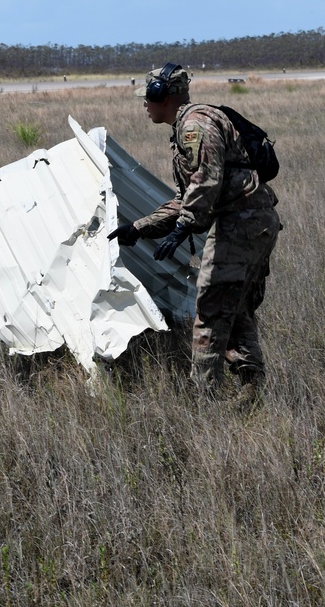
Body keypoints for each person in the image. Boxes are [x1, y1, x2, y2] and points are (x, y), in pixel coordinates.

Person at [108, 63, 281, 407]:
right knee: (236, 307)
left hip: (240, 225)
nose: (145, 104)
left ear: (164, 97)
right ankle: (250, 391)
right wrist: (140, 228)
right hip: (252, 223)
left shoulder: (193, 125)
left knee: (210, 311)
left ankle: (203, 399)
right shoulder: (189, 126)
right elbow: (186, 197)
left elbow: (207, 182)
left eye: (148, 97)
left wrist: (185, 224)